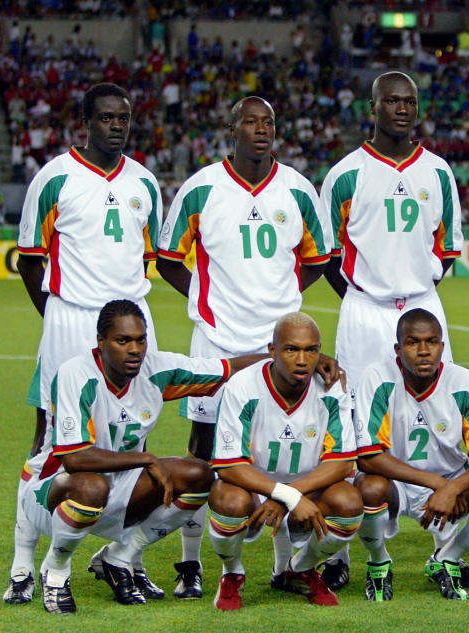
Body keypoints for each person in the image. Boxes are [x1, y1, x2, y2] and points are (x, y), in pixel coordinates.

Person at [156, 96, 335, 599]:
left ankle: (287, 561)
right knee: (204, 447)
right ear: (230, 127)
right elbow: (170, 258)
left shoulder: (298, 189)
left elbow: (319, 258)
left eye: (269, 123)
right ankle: (192, 563)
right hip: (219, 340)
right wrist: (207, 298)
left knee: (286, 444)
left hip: (280, 343)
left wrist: (279, 298)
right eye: (250, 122)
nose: (261, 130)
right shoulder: (201, 188)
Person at [7, 83, 164, 605]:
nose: (116, 126)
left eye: (123, 117)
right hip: (72, 320)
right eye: (105, 118)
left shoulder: (145, 182)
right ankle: (24, 561)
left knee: (133, 440)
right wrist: (58, 318)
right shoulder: (54, 178)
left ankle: (123, 560)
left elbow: (148, 260)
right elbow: (31, 260)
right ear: (85, 121)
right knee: (50, 438)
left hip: (131, 322)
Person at [13, 300, 264, 614]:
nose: (134, 349)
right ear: (101, 342)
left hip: (119, 488)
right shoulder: (75, 374)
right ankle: (56, 569)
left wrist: (289, 357)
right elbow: (75, 459)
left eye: (140, 340)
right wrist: (145, 460)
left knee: (198, 476)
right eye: (122, 341)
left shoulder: (156, 369)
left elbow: (230, 368)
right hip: (52, 494)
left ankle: (119, 557)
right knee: (91, 486)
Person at [318, 71, 464, 587]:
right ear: (373, 107)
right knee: (354, 420)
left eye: (410, 101)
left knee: (440, 412)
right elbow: (328, 254)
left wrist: (413, 292)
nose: (402, 109)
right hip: (364, 308)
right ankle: (339, 552)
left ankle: (451, 547)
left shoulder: (439, 171)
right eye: (392, 101)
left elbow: (447, 250)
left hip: (423, 303)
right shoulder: (345, 174)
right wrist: (365, 295)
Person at [207, 313, 361, 610]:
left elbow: (342, 463)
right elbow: (228, 465)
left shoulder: (332, 387)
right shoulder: (243, 386)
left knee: (349, 501)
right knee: (227, 500)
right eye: (291, 349)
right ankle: (232, 573)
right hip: (252, 487)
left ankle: (299, 569)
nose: (302, 360)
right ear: (272, 351)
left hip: (309, 486)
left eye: (311, 350)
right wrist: (285, 494)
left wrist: (291, 495)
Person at [354, 309, 469, 602]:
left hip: (452, 479)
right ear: (398, 350)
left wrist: (452, 486)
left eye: (432, 342)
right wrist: (436, 484)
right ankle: (378, 563)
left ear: (442, 346)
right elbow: (368, 456)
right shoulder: (377, 378)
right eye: (413, 343)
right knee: (368, 487)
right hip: (396, 482)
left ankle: (448, 558)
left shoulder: (465, 382)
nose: (424, 351)